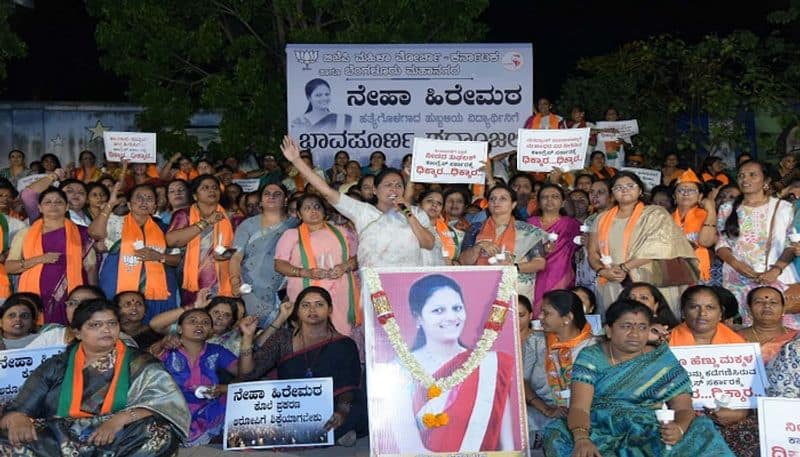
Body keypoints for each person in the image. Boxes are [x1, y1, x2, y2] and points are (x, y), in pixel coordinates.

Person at [544, 299, 734, 456]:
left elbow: (683, 407)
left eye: (642, 327)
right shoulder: (591, 356)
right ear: (609, 330)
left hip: (649, 428)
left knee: (703, 429)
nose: (635, 334)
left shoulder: (660, 358)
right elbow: (579, 407)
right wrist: (582, 439)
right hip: (598, 427)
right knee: (557, 434)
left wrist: (679, 429)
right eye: (626, 326)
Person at [0, 299, 189, 455]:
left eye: (111, 323)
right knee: (7, 438)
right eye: (95, 325)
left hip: (118, 435)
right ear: (77, 332)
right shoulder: (57, 364)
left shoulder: (139, 360)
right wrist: (17, 418)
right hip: (61, 438)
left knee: (159, 432)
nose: (106, 330)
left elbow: (166, 402)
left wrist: (118, 420)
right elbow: (20, 408)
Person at [392, 275, 515, 452]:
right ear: (418, 317)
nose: (451, 317)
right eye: (438, 311)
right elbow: (407, 447)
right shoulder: (402, 366)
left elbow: (507, 446)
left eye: (457, 308)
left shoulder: (490, 364)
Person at [239, 286, 366, 446]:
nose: (312, 309)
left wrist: (342, 410)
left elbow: (349, 384)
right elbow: (248, 374)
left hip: (333, 405)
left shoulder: (344, 344)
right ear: (297, 311)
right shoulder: (283, 339)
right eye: (305, 305)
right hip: (291, 408)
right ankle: (334, 436)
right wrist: (247, 338)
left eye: (319, 304)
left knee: (358, 408)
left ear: (330, 310)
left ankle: (335, 430)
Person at [282, 136, 437, 267]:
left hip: (408, 283)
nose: (394, 189)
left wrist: (407, 213)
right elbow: (327, 192)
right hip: (375, 285)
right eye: (388, 185)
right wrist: (297, 161)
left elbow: (428, 244)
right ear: (375, 190)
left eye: (398, 185)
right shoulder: (362, 211)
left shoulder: (416, 213)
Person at [588, 171, 697, 316]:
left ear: (640, 190)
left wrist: (624, 268)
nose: (624, 189)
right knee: (620, 327)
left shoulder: (656, 213)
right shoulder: (601, 218)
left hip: (650, 281)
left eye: (630, 185)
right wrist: (602, 271)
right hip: (613, 281)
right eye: (618, 187)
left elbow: (659, 247)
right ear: (612, 193)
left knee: (657, 325)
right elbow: (592, 252)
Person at [668, 285, 756, 456]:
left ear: (721, 313)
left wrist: (741, 412)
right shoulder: (665, 342)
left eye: (710, 307)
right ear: (683, 312)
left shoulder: (739, 346)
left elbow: (751, 392)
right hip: (678, 415)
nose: (702, 314)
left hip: (731, 416)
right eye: (694, 307)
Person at [716, 160, 798, 327]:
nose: (745, 179)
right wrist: (736, 264)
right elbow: (721, 244)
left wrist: (775, 270)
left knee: (781, 327)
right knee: (745, 330)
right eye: (741, 175)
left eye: (752, 175)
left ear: (766, 180)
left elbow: (791, 244)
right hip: (737, 279)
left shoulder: (784, 208)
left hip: (775, 277)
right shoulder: (727, 208)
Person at [6, 187, 96, 324]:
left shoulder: (82, 232)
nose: (53, 205)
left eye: (58, 202)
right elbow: (9, 266)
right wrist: (40, 259)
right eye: (48, 202)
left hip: (72, 294)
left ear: (66, 207)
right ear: (40, 208)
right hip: (36, 295)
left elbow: (91, 267)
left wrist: (95, 298)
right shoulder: (25, 233)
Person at [274, 193, 360, 338]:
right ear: (299, 214)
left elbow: (358, 258)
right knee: (309, 339)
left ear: (324, 211)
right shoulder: (291, 235)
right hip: (306, 295)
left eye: (317, 207)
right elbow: (279, 265)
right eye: (307, 208)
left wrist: (344, 266)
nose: (313, 211)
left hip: (340, 294)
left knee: (340, 338)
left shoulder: (342, 232)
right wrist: (304, 272)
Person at [90, 183, 180, 321]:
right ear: (130, 204)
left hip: (158, 292)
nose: (144, 202)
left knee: (155, 331)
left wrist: (159, 256)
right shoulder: (116, 223)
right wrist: (111, 203)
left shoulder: (165, 228)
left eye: (149, 198)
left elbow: (177, 259)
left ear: (155, 206)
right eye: (139, 198)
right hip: (117, 287)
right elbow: (95, 233)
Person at [159, 308, 239, 446]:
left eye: (205, 323)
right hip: (172, 408)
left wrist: (222, 389)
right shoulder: (167, 348)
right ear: (179, 329)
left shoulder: (216, 350)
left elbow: (246, 372)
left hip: (207, 409)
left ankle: (201, 434)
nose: (199, 325)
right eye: (193, 321)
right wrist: (161, 345)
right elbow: (144, 369)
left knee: (235, 396)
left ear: (210, 331)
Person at [460, 184, 547, 299]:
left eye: (503, 198)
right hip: (480, 290)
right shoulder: (475, 228)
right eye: (492, 198)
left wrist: (512, 267)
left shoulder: (528, 231)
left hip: (516, 293)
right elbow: (463, 261)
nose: (496, 201)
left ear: (513, 204)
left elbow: (539, 263)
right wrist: (479, 246)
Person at [229, 183, 297, 322]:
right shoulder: (248, 225)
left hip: (283, 288)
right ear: (260, 201)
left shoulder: (296, 225)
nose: (271, 196)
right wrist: (235, 283)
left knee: (277, 332)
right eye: (267, 193)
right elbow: (236, 257)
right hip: (248, 287)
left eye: (277, 194)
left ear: (285, 200)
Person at [167, 174, 235, 304]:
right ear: (194, 196)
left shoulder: (231, 217)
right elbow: (172, 241)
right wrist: (206, 222)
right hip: (192, 283)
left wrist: (227, 254)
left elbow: (241, 249)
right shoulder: (183, 215)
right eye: (205, 188)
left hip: (223, 282)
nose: (211, 190)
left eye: (215, 188)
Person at [538, 290, 595, 414]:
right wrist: (545, 409)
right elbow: (522, 381)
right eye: (541, 312)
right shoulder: (536, 342)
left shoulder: (593, 347)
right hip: (545, 413)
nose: (540, 317)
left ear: (567, 318)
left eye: (546, 313)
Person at [528, 184, 581, 311]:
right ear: (539, 203)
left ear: (563, 203)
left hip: (559, 275)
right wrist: (541, 251)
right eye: (545, 197)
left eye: (555, 197)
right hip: (533, 274)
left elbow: (582, 245)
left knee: (557, 311)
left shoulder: (570, 224)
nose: (549, 200)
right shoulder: (529, 223)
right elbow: (520, 251)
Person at [671, 170, 717, 282]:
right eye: (681, 190)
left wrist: (711, 210)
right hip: (671, 271)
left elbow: (706, 242)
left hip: (698, 272)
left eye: (691, 190)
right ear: (674, 197)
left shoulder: (707, 215)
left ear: (700, 196)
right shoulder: (666, 218)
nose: (686, 193)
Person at [518, 295, 551, 449]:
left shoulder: (541, 340)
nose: (516, 320)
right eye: (511, 315)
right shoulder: (493, 341)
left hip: (538, 400)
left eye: (521, 315)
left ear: (531, 315)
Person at [418, 189, 464, 264]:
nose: (434, 205)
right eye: (430, 201)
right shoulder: (409, 227)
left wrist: (455, 263)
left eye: (439, 203)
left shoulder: (454, 234)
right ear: (419, 204)